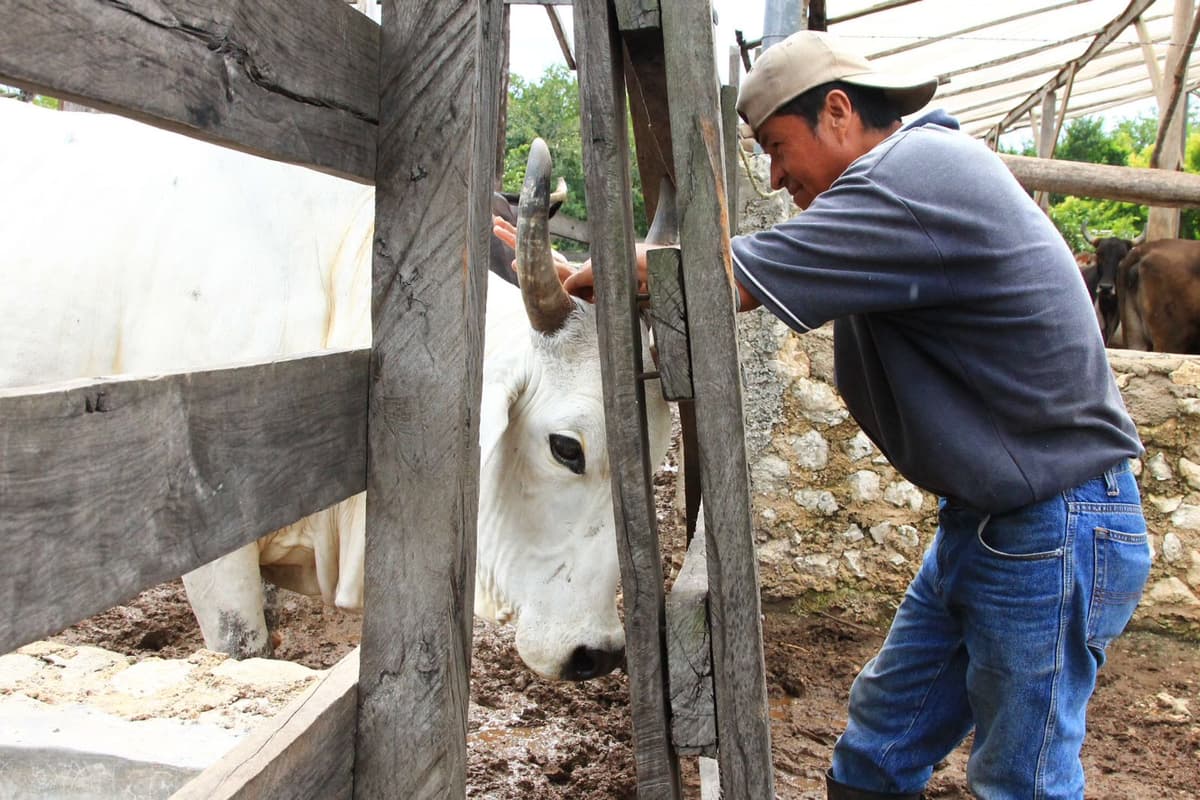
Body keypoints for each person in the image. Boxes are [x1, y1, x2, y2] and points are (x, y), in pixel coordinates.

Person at [494, 29, 1150, 800]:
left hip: (1054, 527)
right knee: (878, 747)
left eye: (777, 146)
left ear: (838, 112)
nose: (773, 177)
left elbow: (719, 280)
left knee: (1024, 780)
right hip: (994, 525)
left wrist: (587, 274)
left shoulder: (911, 178)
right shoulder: (911, 182)